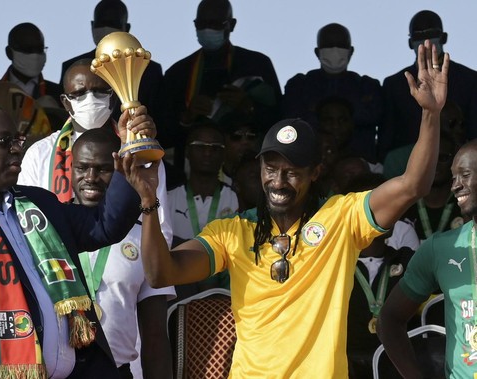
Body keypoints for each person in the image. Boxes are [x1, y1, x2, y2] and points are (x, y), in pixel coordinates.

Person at [138, 41, 448, 378]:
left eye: (293, 171)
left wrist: (430, 115)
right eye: (270, 168)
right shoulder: (231, 232)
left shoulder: (341, 219)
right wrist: (149, 202)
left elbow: (412, 185)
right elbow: (160, 273)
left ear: (315, 173)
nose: (278, 181)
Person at [0, 102, 159, 378]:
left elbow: (104, 226)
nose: (17, 148)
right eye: (4, 141)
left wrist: (131, 149)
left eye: (18, 139)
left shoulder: (40, 202)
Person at [18, 59, 172, 248]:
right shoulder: (40, 154)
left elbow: (161, 228)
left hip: (127, 267)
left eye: (99, 91)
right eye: (79, 93)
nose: (90, 99)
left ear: (112, 98)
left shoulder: (142, 152)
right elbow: (26, 223)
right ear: (66, 102)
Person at [70, 129, 174, 379]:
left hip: (116, 372)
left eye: (103, 169)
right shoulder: (47, 229)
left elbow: (156, 338)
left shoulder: (145, 238)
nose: (91, 178)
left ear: (122, 170)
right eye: (82, 168)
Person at [377, 136, 477, 378]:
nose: (455, 185)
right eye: (454, 177)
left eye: (465, 175)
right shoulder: (440, 248)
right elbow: (389, 319)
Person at [160, 0, 281, 172]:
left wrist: (248, 106)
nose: (208, 29)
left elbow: (279, 120)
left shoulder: (257, 65)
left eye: (215, 23)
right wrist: (187, 117)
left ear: (231, 25)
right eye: (202, 24)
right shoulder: (178, 73)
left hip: (249, 171)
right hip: (193, 176)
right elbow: (162, 134)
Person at [340, 172, 416, 379]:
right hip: (345, 368)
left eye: (392, 204)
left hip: (397, 368)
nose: (389, 211)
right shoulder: (334, 265)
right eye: (378, 205)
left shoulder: (409, 261)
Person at [378, 10, 477, 160]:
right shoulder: (395, 85)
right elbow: (387, 137)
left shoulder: (469, 80)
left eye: (431, 33)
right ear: (410, 43)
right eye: (419, 36)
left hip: (458, 160)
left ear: (444, 37)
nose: (426, 41)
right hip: (407, 163)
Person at [283, 23, 382, 163]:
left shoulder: (368, 85)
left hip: (359, 165)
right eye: (328, 45)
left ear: (351, 51)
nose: (335, 50)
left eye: (340, 45)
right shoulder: (299, 85)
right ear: (317, 52)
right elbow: (292, 123)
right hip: (310, 162)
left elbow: (375, 117)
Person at [59, 0, 163, 122]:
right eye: (101, 23)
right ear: (92, 25)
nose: (106, 28)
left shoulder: (148, 68)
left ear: (127, 28)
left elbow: (159, 117)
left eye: (113, 23)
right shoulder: (72, 67)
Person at [167, 122, 238, 299]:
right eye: (200, 147)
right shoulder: (169, 198)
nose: (207, 153)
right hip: (180, 289)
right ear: (187, 152)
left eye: (215, 148)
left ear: (224, 154)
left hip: (224, 291)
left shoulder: (237, 197)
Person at [0, 22, 62, 108]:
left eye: (39, 49)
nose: (35, 55)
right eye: (28, 49)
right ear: (9, 53)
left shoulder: (59, 94)